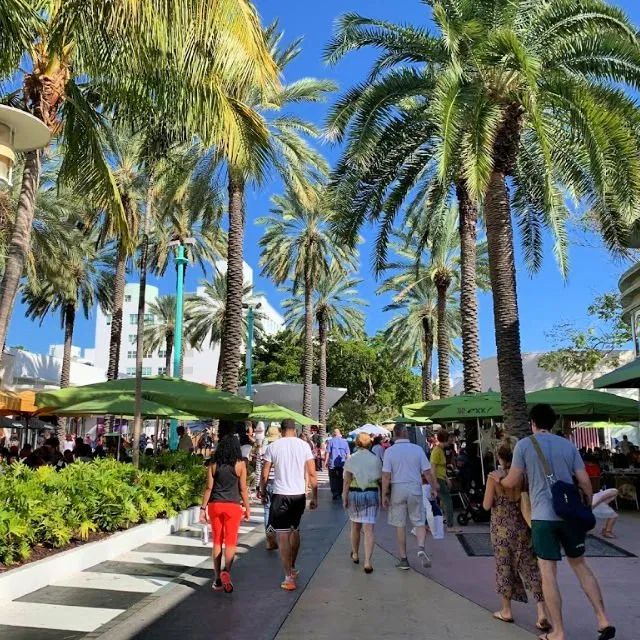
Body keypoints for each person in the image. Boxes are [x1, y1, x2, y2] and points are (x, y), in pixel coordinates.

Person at [493, 404, 615, 640]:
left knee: (548, 573)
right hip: (569, 516)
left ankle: (558, 631)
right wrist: (585, 509)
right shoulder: (568, 445)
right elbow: (585, 483)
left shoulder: (525, 445)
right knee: (580, 565)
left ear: (532, 423)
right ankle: (602, 618)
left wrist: (498, 479)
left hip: (543, 517)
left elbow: (512, 481)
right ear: (554, 423)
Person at [483, 444, 549, 631]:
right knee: (531, 569)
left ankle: (506, 610)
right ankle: (542, 613)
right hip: (522, 528)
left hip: (501, 530)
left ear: (500, 457)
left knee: (504, 567)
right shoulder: (524, 476)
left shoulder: (493, 477)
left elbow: (487, 505)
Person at [260, 419, 318, 591]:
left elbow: (265, 473)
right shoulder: (304, 446)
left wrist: (262, 492)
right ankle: (292, 566)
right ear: (295, 429)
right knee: (295, 530)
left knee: (283, 535)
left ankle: (288, 577)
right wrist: (315, 497)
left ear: (281, 430)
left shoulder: (273, 447)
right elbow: (312, 472)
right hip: (298, 494)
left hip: (280, 494)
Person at [199, 429, 250, 593]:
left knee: (216, 542)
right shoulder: (241, 464)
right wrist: (247, 508)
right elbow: (243, 489)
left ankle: (217, 579)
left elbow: (208, 488)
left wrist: (202, 509)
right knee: (230, 542)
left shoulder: (213, 464)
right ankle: (226, 571)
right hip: (233, 506)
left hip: (215, 506)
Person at [381, 424, 438, 570]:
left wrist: (384, 494)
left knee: (400, 524)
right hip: (414, 487)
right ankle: (420, 547)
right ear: (406, 433)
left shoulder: (390, 452)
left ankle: (404, 558)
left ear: (395, 435)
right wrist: (433, 487)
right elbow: (427, 472)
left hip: (397, 487)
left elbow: (386, 475)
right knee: (419, 520)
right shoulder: (417, 449)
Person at [342, 433, 383, 573]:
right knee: (369, 529)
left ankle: (355, 553)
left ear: (356, 443)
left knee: (355, 526)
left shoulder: (351, 459)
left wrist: (344, 496)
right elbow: (380, 479)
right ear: (369, 443)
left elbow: (347, 480)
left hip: (355, 493)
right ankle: (367, 562)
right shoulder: (375, 459)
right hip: (371, 493)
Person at [430, 430, 459, 533]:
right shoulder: (437, 451)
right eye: (449, 439)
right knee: (448, 501)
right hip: (438, 478)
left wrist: (446, 478)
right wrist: (435, 482)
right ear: (445, 440)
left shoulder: (440, 450)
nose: (450, 441)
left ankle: (441, 520)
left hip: (441, 478)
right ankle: (450, 525)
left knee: (442, 501)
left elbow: (441, 467)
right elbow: (432, 468)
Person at [325, 429, 350, 500]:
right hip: (342, 463)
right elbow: (348, 454)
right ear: (339, 434)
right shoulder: (345, 442)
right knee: (341, 478)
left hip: (332, 464)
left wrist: (326, 462)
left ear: (334, 434)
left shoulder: (330, 441)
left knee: (332, 478)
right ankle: (340, 492)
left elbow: (328, 453)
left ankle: (335, 492)